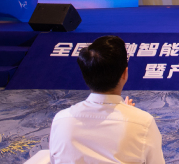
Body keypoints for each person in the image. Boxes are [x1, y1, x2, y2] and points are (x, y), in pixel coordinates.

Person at [49, 35, 164, 164]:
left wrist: (129, 114)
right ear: (124, 74)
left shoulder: (61, 119)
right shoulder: (144, 123)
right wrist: (131, 116)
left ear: (86, 75)